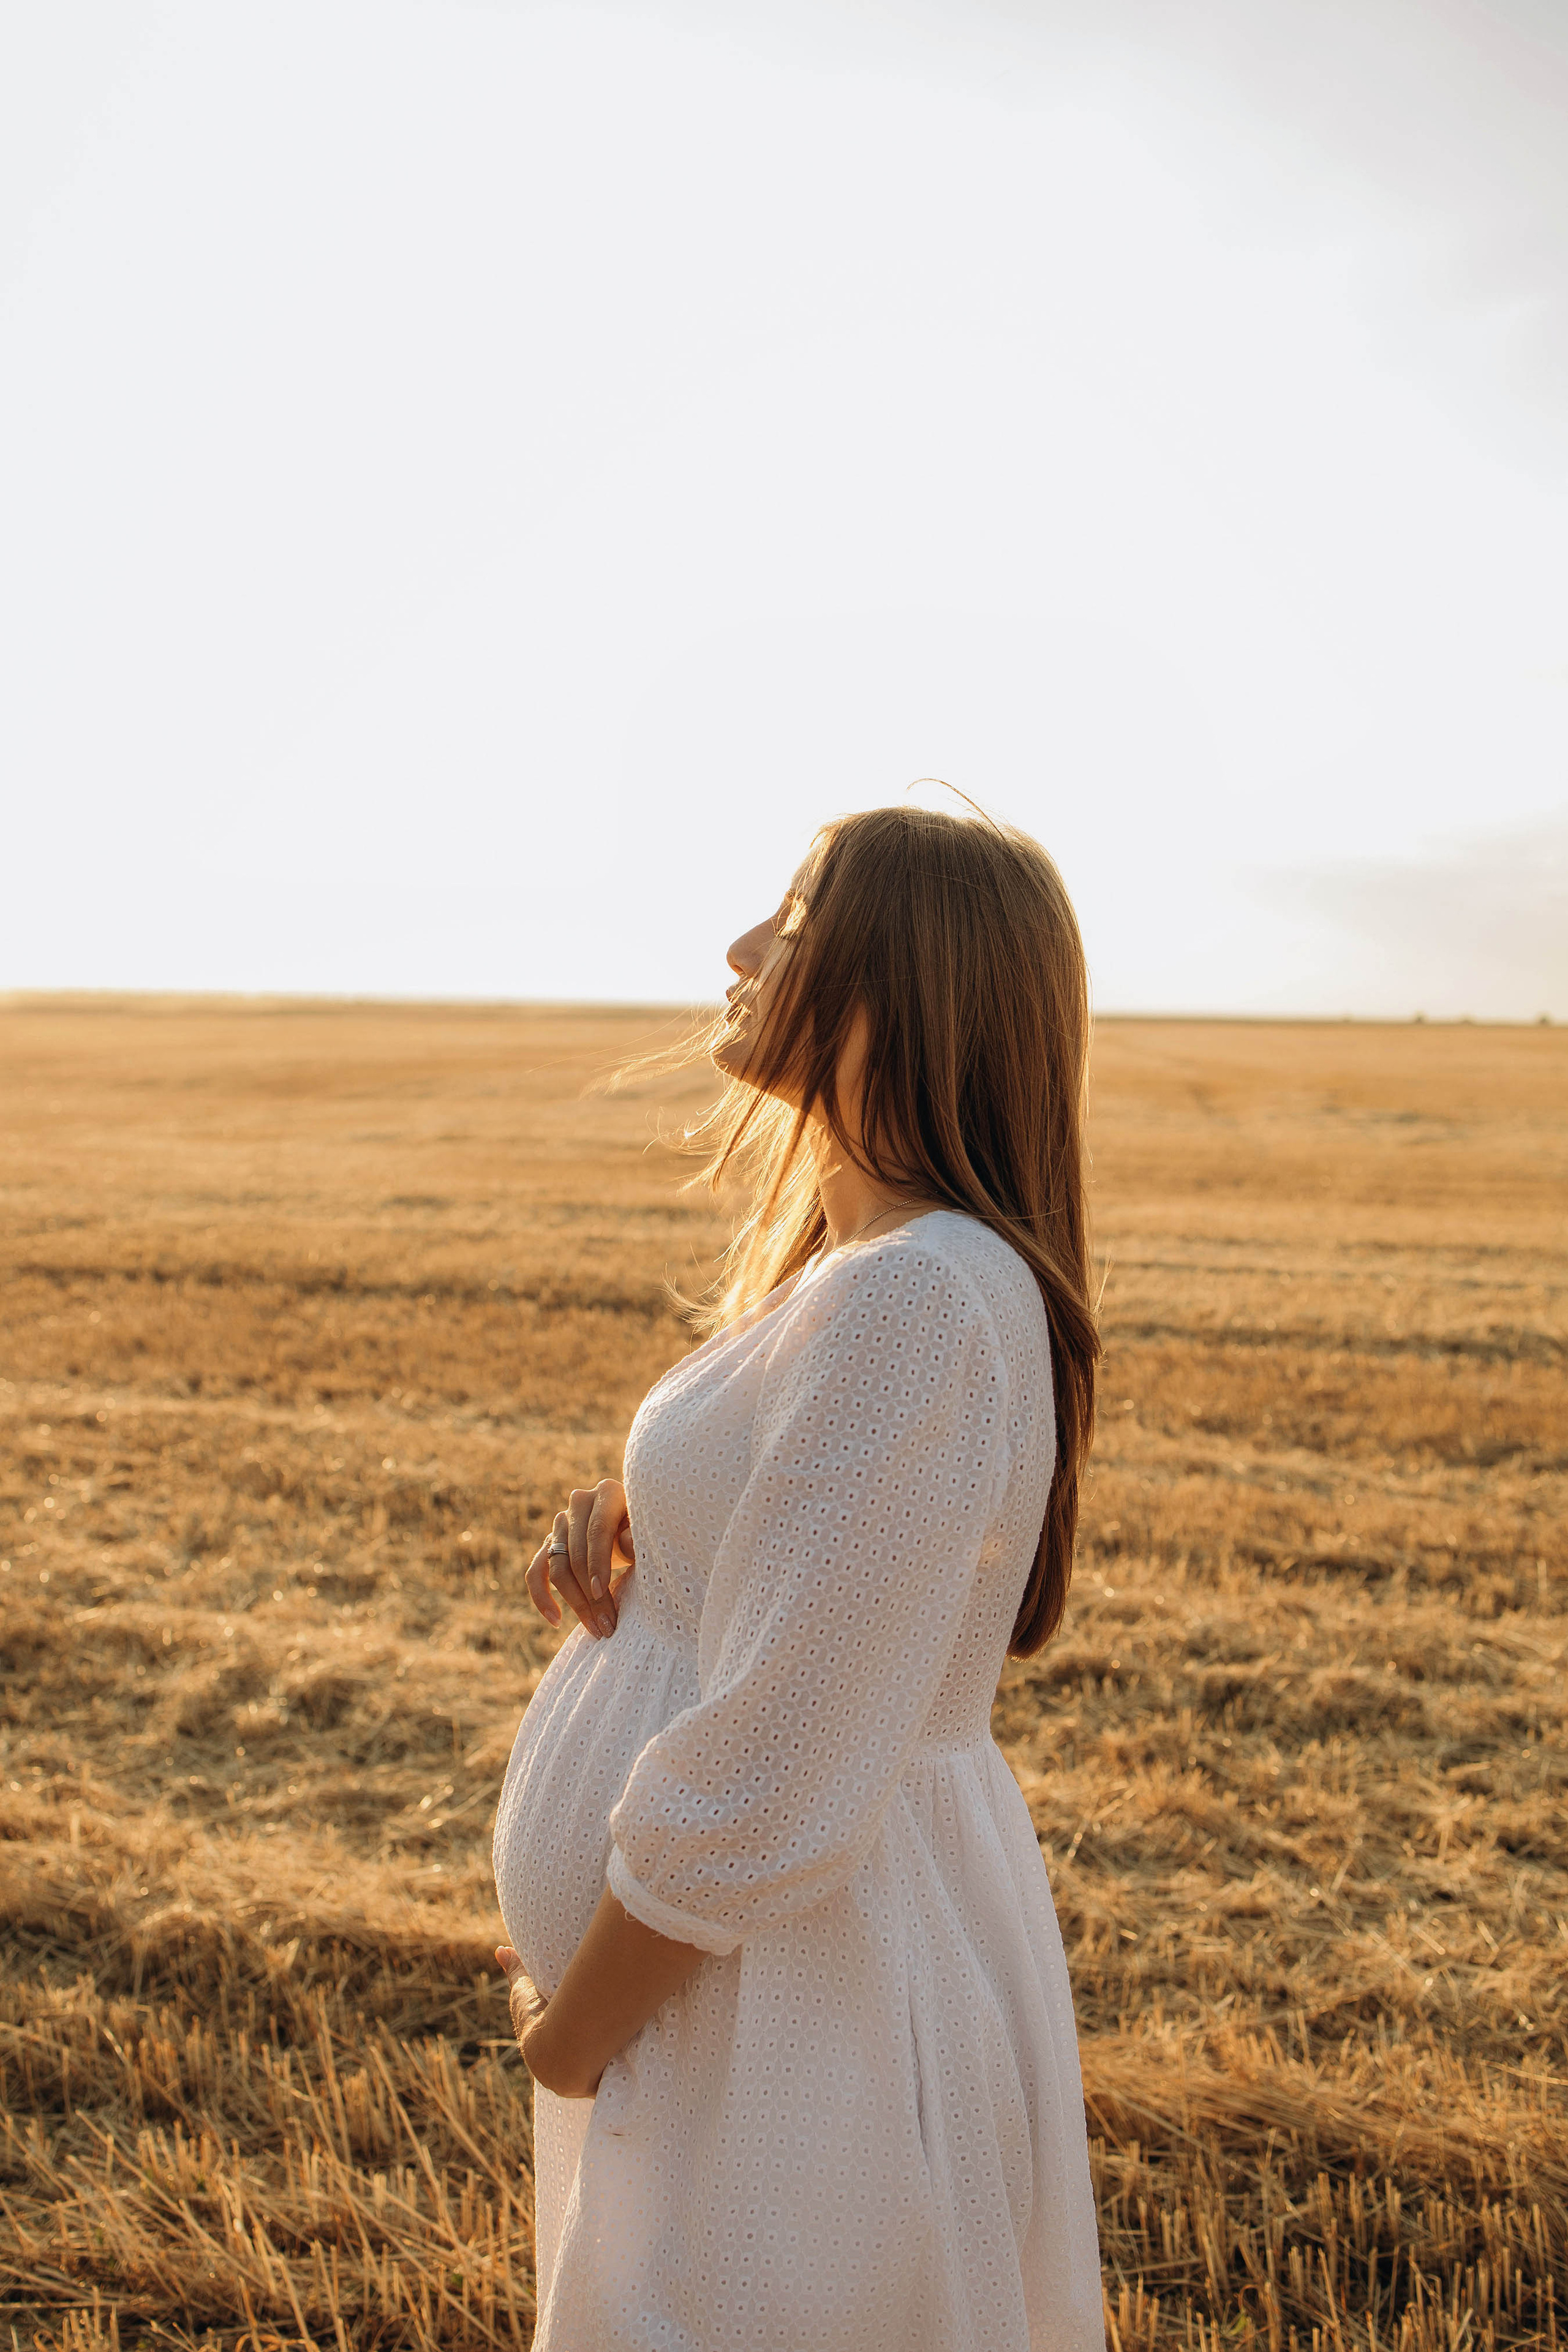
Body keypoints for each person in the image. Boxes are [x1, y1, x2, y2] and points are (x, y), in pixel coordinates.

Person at [492, 802, 1105, 2351]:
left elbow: (774, 1768)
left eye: (793, 918)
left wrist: (572, 2044)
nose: (742, 952)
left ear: (905, 984)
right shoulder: (889, 1279)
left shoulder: (908, 1303)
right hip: (752, 1999)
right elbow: (819, 1597)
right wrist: (659, 1536)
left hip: (785, 2024)